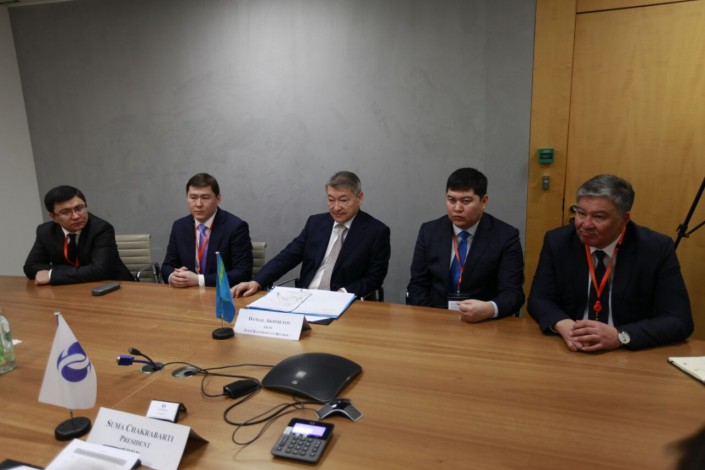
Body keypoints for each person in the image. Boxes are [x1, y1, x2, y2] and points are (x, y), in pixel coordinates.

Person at [527, 174, 693, 351]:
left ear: (624, 220)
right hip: (571, 346)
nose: (586, 224)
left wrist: (620, 336)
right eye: (581, 213)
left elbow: (679, 320)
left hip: (627, 353)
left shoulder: (655, 248)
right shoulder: (558, 241)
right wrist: (563, 324)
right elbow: (539, 299)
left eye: (599, 217)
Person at [232, 171, 390, 298]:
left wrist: (343, 293)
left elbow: (374, 278)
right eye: (331, 200)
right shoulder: (316, 223)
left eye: (343, 200)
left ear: (359, 198)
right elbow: (287, 257)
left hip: (344, 302)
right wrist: (257, 282)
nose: (336, 207)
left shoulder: (376, 232)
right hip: (304, 297)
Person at [406, 168, 525, 322]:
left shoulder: (505, 236)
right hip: (435, 318)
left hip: (483, 322)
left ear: (484, 201)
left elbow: (513, 293)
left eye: (466, 201)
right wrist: (432, 318)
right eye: (451, 200)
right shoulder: (429, 231)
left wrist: (490, 309)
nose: (457, 208)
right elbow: (417, 285)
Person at [23, 185, 133, 285]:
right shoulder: (45, 231)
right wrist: (81, 272)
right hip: (73, 287)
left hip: (113, 284)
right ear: (53, 217)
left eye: (79, 208)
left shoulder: (101, 229)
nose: (76, 216)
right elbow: (30, 267)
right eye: (65, 212)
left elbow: (99, 270)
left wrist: (52, 274)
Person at [162, 173, 252, 288]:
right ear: (187, 197)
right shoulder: (179, 226)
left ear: (218, 198)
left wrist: (199, 280)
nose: (198, 204)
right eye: (193, 197)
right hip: (186, 293)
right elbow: (167, 266)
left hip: (221, 294)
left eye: (205, 198)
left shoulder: (236, 227)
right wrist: (172, 277)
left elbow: (243, 273)